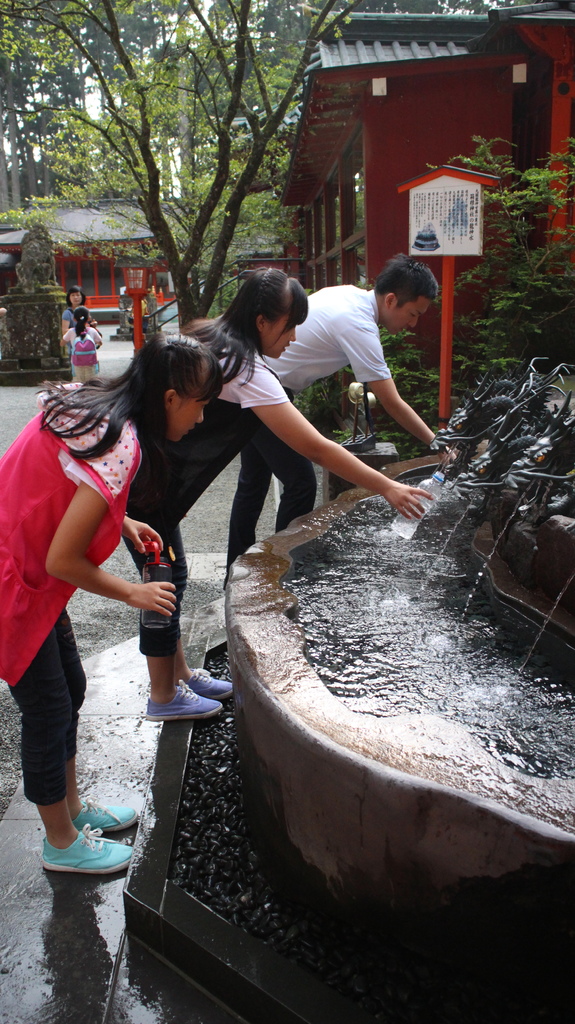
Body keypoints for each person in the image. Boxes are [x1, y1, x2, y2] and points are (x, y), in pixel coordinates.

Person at [126, 269, 433, 722]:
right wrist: (386, 485)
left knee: (174, 576)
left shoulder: (211, 337)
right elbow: (316, 447)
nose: (294, 337)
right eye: (289, 326)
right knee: (164, 586)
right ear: (262, 321)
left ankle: (183, 676)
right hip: (143, 489)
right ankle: (163, 696)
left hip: (153, 483)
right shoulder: (245, 370)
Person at [0, 337, 223, 874]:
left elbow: (64, 478)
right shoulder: (124, 443)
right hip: (16, 580)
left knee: (71, 689)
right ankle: (59, 842)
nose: (201, 417)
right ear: (170, 398)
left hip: (23, 570)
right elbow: (62, 559)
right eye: (200, 403)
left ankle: (75, 814)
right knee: (48, 708)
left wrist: (120, 520)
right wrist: (133, 592)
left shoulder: (95, 402)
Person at [226, 254, 439, 569]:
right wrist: (435, 442)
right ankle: (278, 570)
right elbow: (391, 401)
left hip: (256, 381)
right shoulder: (359, 324)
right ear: (391, 300)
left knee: (253, 482)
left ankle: (238, 569)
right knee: (300, 482)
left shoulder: (349, 295)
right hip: (264, 389)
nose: (413, 323)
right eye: (413, 313)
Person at [63, 305, 102, 382]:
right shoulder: (92, 330)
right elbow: (100, 342)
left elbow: (62, 343)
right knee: (91, 383)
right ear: (88, 318)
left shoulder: (71, 331)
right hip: (91, 362)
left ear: (74, 319)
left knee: (78, 383)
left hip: (76, 362)